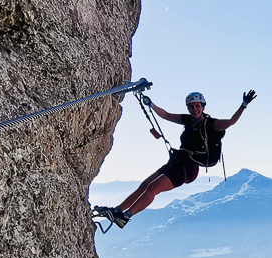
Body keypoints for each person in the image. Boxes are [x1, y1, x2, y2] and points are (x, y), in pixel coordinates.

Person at [94, 89, 257, 228]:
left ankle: (125, 216)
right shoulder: (187, 120)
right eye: (192, 107)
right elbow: (165, 115)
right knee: (145, 185)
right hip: (177, 161)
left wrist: (243, 105)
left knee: (153, 188)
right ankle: (117, 210)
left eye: (197, 106)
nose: (195, 109)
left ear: (203, 107)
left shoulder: (210, 125)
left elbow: (231, 122)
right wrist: (150, 104)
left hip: (188, 168)